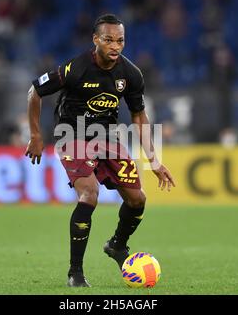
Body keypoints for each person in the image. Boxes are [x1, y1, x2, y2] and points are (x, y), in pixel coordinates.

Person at [25, 14, 175, 287]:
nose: (115, 46)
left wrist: (154, 160)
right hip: (71, 135)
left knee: (137, 199)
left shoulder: (130, 74)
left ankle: (117, 245)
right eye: (108, 40)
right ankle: (76, 273)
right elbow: (35, 91)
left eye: (120, 40)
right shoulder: (76, 68)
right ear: (96, 40)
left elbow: (139, 117)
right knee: (89, 193)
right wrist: (35, 134)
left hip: (107, 137)